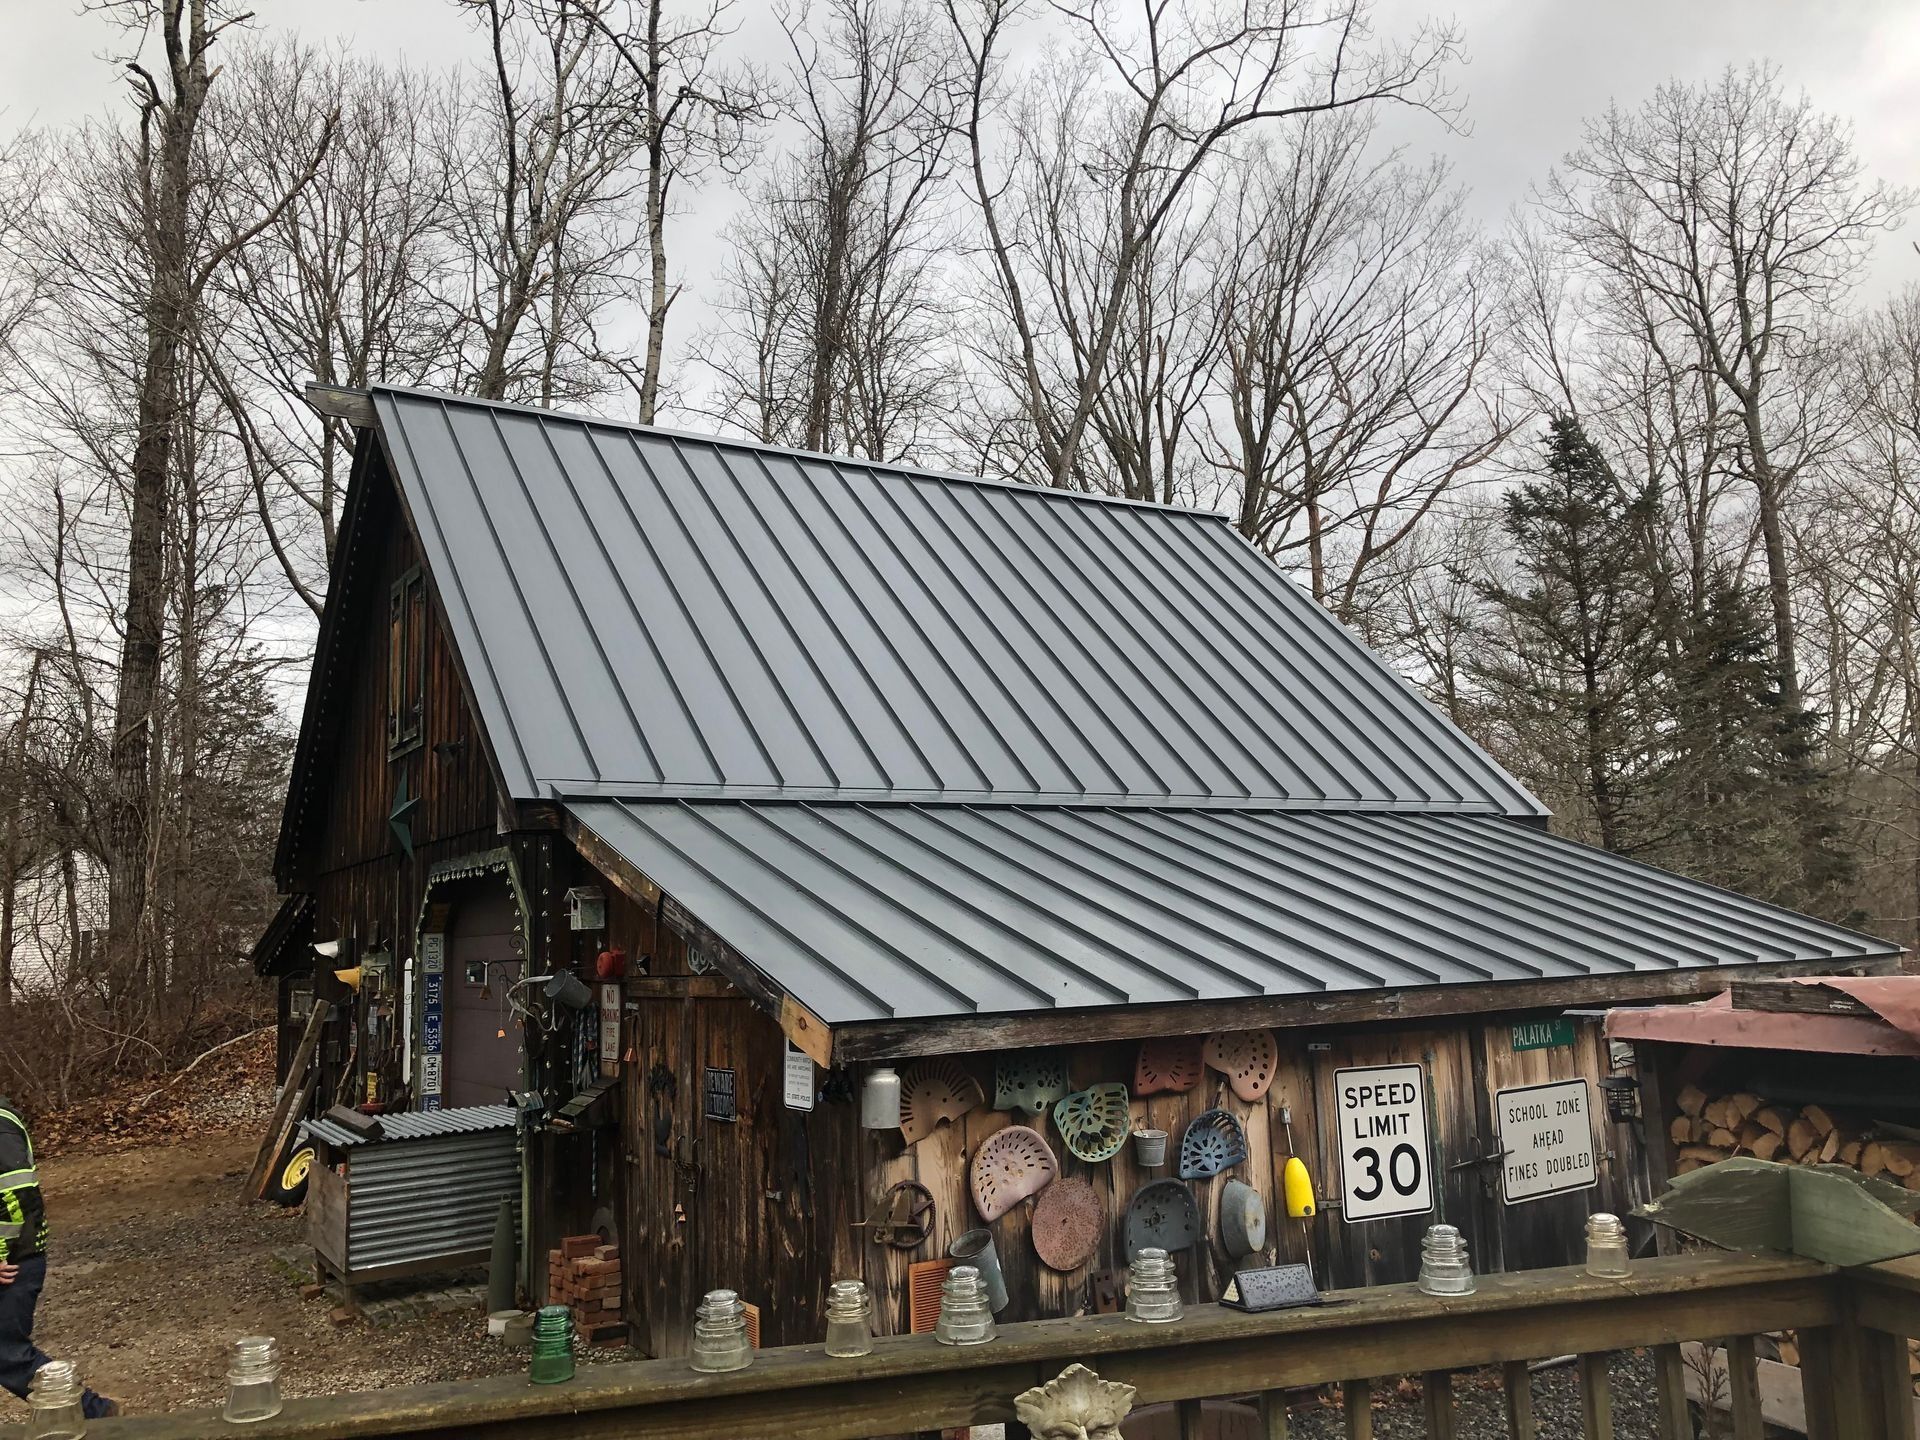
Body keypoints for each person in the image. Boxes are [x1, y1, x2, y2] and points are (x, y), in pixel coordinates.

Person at [0, 1098, 117, 1419]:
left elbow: (19, 1197)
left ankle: (96, 1413)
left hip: (14, 1260)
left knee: (7, 1353)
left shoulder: (1, 1125)